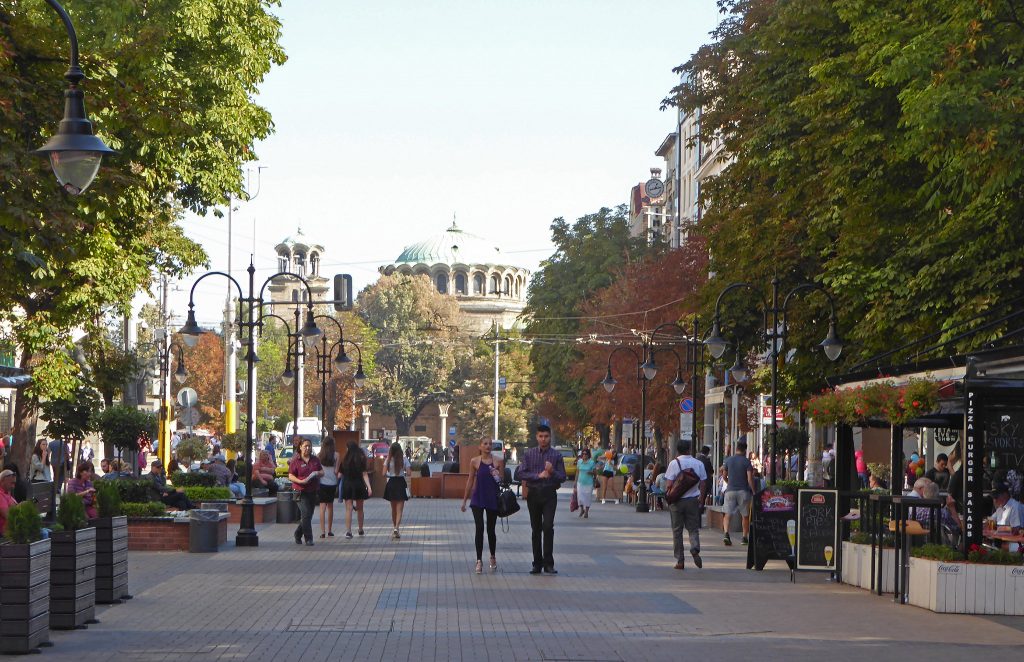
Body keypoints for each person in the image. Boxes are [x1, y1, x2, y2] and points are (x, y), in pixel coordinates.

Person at [518, 424, 566, 575]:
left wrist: (552, 472)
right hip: (534, 493)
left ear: (550, 437)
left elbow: (563, 477)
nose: (543, 439)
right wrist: (537, 476)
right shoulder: (529, 454)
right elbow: (520, 473)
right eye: (540, 436)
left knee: (548, 526)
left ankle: (548, 564)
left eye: (546, 436)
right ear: (536, 437)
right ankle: (536, 563)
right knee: (536, 529)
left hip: (549, 494)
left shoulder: (556, 456)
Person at [460, 439, 503, 573]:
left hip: (492, 498)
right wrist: (465, 500)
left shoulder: (498, 461)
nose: (488, 446)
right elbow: (470, 480)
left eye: (490, 444)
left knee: (491, 529)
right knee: (479, 528)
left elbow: (502, 480)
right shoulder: (475, 461)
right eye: (485, 444)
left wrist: (498, 476)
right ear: (480, 446)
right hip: (478, 498)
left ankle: (492, 556)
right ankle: (479, 560)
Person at [666, 440, 707, 570]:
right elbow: (704, 483)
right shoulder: (698, 463)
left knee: (677, 531)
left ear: (677, 450)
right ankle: (695, 548)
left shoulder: (674, 463)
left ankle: (680, 561)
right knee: (693, 528)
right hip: (693, 500)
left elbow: (669, 484)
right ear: (689, 449)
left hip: (677, 502)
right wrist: (702, 498)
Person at [287, 439, 323, 546]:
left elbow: (322, 472)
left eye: (309, 446)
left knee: (309, 515)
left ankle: (298, 533)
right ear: (300, 447)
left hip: (312, 490)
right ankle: (309, 538)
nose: (308, 448)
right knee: (306, 513)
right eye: (306, 446)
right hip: (300, 490)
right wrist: (300, 481)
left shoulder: (315, 460)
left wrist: (317, 473)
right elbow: (290, 475)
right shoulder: (296, 460)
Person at [722, 440, 755, 546]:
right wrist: (754, 491)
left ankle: (726, 534)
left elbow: (723, 476)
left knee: (727, 514)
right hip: (743, 491)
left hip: (730, 491)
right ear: (745, 450)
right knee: (745, 515)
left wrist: (729, 483)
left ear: (736, 449)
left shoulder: (729, 460)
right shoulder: (746, 462)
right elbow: (750, 479)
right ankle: (744, 537)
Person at [339, 440, 372, 539]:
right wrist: (369, 487)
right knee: (360, 509)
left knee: (348, 509)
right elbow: (364, 474)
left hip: (347, 485)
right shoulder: (361, 459)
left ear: (348, 449)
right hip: (359, 485)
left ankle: (349, 532)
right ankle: (360, 529)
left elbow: (339, 475)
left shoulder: (344, 460)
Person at [383, 441, 411, 540]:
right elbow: (409, 473)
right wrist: (402, 473)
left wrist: (390, 474)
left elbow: (383, 473)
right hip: (400, 483)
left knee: (393, 509)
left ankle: (394, 527)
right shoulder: (404, 460)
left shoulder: (388, 459)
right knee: (400, 509)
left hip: (391, 483)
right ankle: (396, 528)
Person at [317, 439, 339, 538]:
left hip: (322, 483)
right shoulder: (337, 455)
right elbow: (336, 471)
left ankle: (322, 531)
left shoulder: (319, 456)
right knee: (330, 507)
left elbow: (317, 470)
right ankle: (330, 530)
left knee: (322, 507)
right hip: (332, 483)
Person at [574, 448, 596, 518]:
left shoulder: (591, 462)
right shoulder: (579, 462)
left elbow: (595, 473)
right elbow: (577, 472)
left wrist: (591, 472)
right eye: (583, 454)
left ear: (588, 455)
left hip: (589, 483)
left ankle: (586, 512)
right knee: (579, 498)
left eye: (585, 454)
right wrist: (575, 482)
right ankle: (581, 509)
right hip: (580, 482)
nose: (584, 455)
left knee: (587, 498)